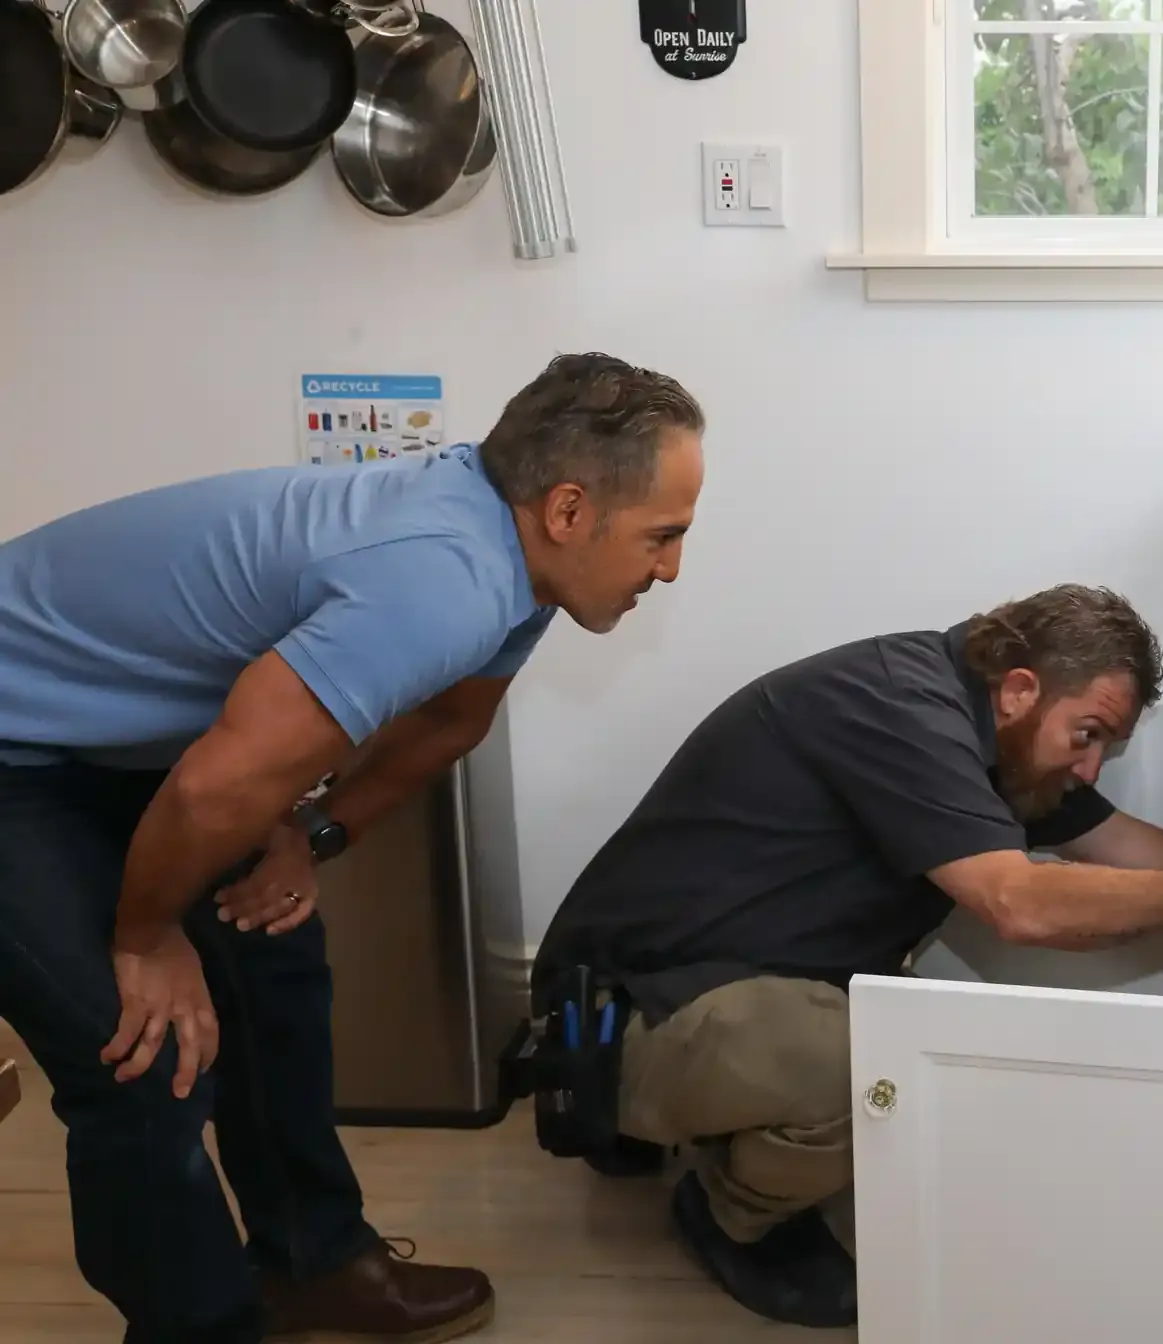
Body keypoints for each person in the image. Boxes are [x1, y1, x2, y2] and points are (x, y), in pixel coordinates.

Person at [0, 353, 705, 1344]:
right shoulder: (442, 577)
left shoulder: (510, 554)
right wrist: (148, 938)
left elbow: (450, 721)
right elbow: (212, 790)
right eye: (663, 536)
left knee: (270, 959)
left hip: (108, 745)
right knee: (138, 1052)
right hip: (18, 748)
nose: (670, 569)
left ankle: (312, 1262)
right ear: (568, 510)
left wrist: (313, 834)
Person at [533, 583, 1163, 1329]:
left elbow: (1128, 852)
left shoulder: (993, 742)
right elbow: (1021, 905)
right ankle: (730, 1217)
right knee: (873, 1063)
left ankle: (712, 1125)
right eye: (1088, 734)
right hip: (605, 1023)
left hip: (708, 993)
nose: (1090, 767)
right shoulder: (902, 711)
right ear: (1020, 690)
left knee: (888, 1052)